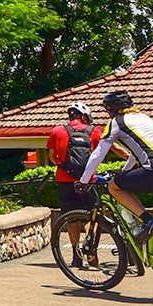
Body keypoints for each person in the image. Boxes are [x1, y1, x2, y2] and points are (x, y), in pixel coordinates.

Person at [79, 89, 153, 246]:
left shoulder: (117, 122)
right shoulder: (145, 118)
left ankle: (147, 221)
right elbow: (137, 152)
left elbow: (99, 153)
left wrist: (83, 180)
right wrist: (125, 171)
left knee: (114, 187)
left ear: (111, 110)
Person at [47, 100, 102, 268]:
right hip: (87, 181)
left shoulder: (57, 131)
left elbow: (51, 156)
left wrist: (64, 167)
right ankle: (91, 248)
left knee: (72, 218)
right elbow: (101, 153)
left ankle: (76, 255)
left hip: (65, 181)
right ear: (84, 116)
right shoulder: (94, 132)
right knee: (92, 217)